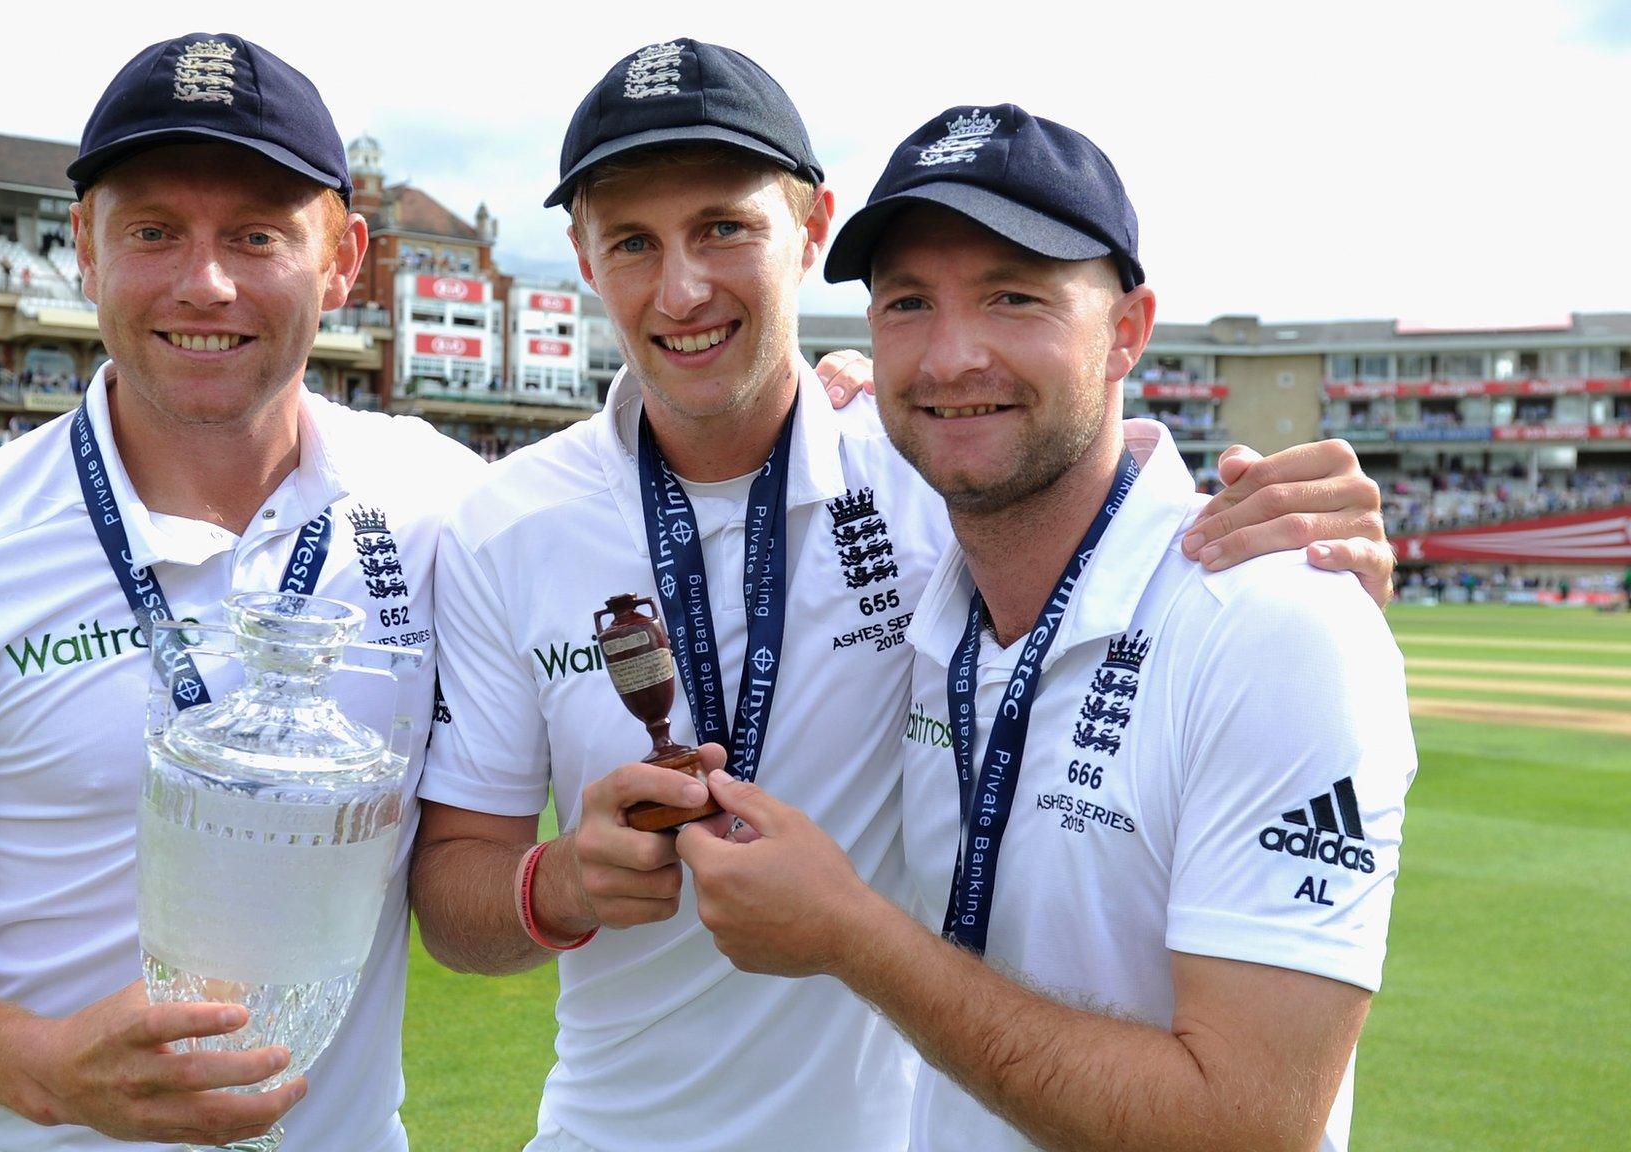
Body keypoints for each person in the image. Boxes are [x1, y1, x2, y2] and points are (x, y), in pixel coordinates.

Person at [409, 43, 1394, 1152]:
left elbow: (1086, 490)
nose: (681, 287)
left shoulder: (923, 464)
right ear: (583, 259)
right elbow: (454, 896)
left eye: (724, 227)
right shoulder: (507, 523)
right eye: (632, 241)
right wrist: (560, 885)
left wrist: (1310, 557)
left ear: (810, 228)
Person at [0, 33, 482, 1152]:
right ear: (85, 252)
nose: (206, 283)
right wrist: (41, 1066)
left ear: (342, 260)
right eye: (154, 231)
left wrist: (845, 415)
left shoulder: (442, 502)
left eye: (257, 235)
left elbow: (633, 508)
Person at [676, 105, 1413, 1152]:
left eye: (1012, 298)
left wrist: (853, 937)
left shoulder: (1274, 623)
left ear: (1125, 332)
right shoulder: (933, 607)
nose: (949, 356)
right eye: (907, 304)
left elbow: (1249, 1128)